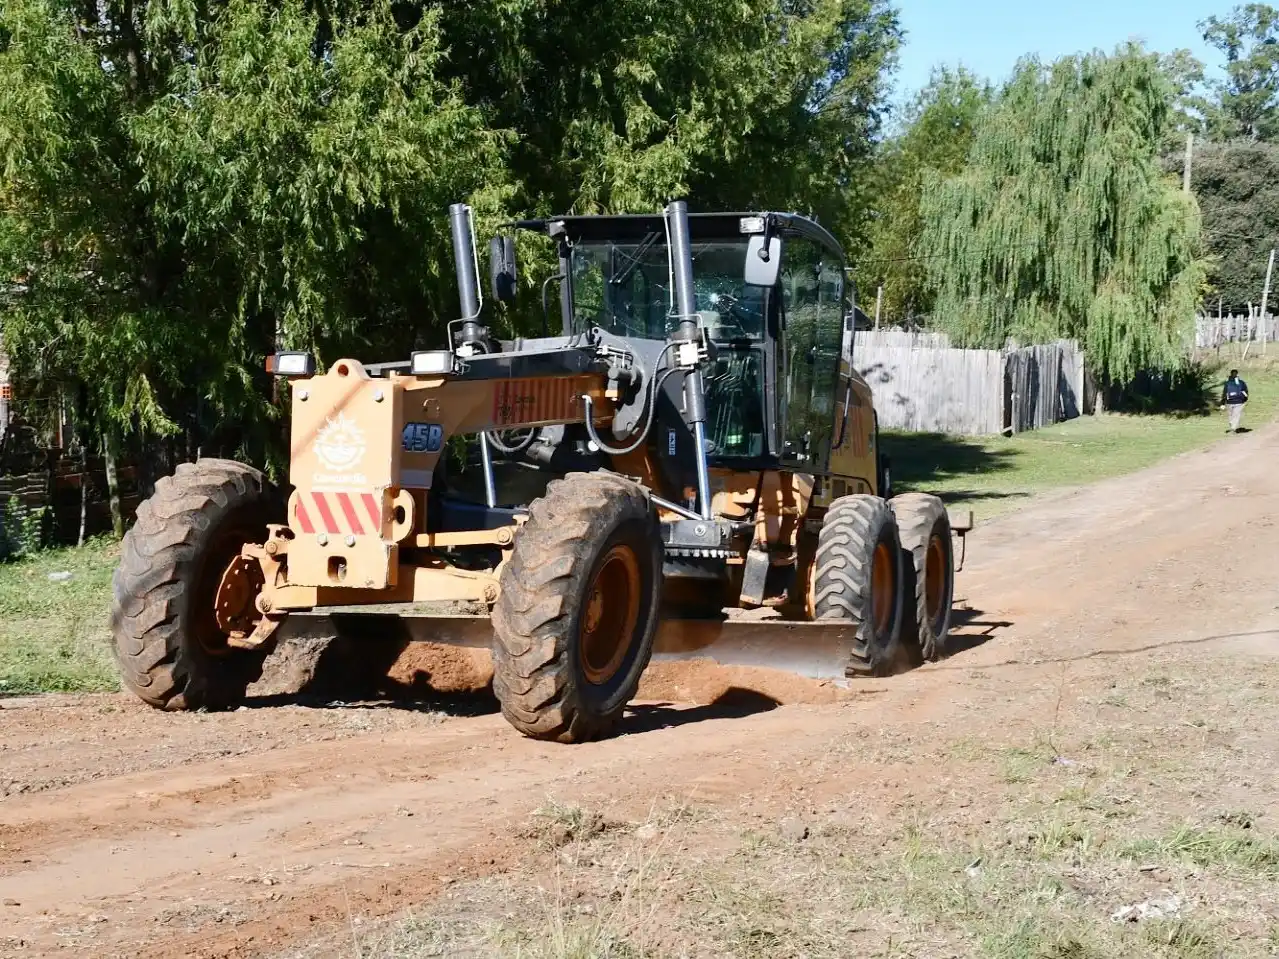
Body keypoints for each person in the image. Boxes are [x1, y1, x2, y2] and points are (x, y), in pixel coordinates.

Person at [1221, 368, 1249, 433]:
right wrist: (1245, 399)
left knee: (1231, 415)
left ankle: (1232, 426)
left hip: (1229, 402)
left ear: (1230, 374)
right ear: (1237, 374)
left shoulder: (1227, 383)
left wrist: (1222, 402)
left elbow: (1224, 393)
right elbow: (1246, 391)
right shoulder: (1241, 382)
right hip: (1239, 401)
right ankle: (1233, 427)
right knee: (1236, 415)